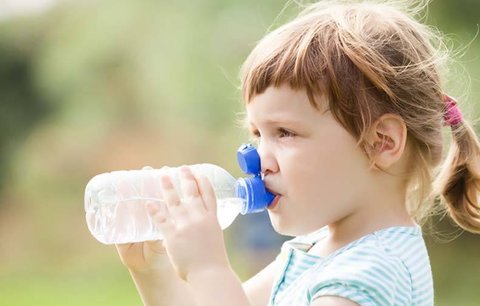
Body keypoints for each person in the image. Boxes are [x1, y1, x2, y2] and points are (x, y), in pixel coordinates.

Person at [115, 1, 480, 305]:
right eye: (258, 134)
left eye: (285, 133)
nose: (258, 160)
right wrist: (155, 273)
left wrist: (208, 271)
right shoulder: (315, 249)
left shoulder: (371, 276)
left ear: (380, 142)